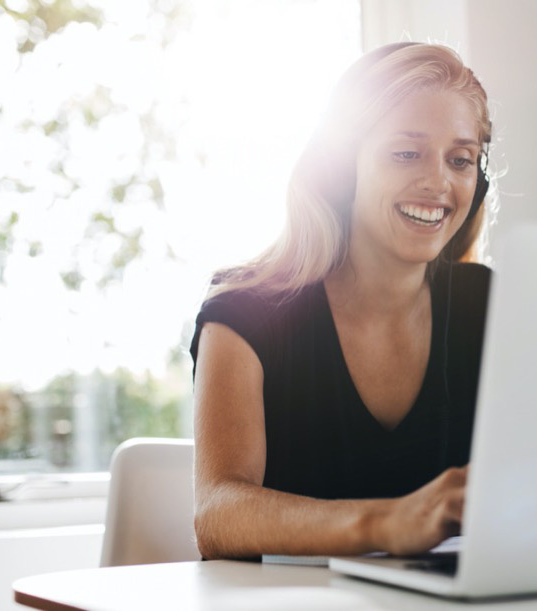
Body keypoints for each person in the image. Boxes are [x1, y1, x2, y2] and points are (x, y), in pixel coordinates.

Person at [189, 42, 494, 560]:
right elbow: (218, 513)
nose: (439, 182)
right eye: (406, 152)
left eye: (460, 160)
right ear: (343, 166)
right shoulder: (246, 313)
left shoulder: (490, 307)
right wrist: (386, 523)